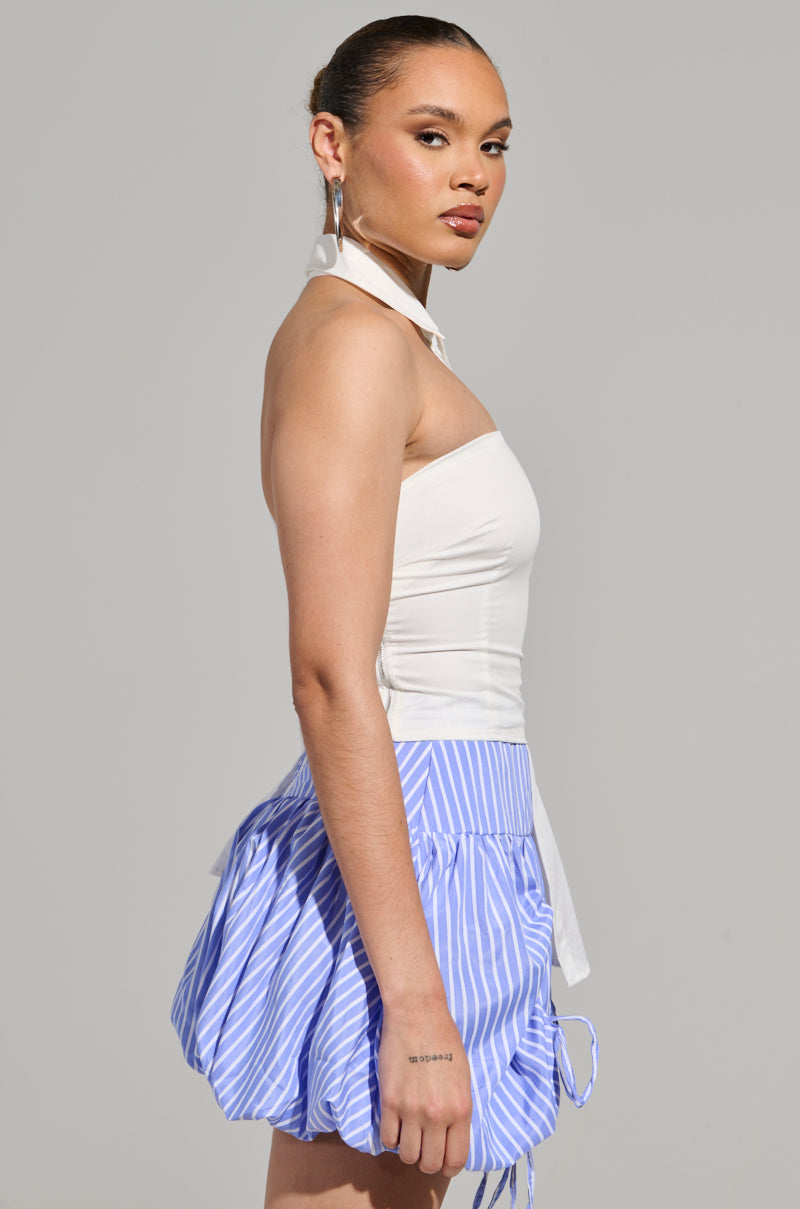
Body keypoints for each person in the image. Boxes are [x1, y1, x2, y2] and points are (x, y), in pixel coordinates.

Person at [171, 16, 597, 1209]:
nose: (472, 174)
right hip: (409, 833)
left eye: (495, 145)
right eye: (430, 135)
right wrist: (409, 1000)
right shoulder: (355, 344)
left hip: (452, 827)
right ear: (333, 145)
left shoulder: (386, 338)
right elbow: (325, 670)